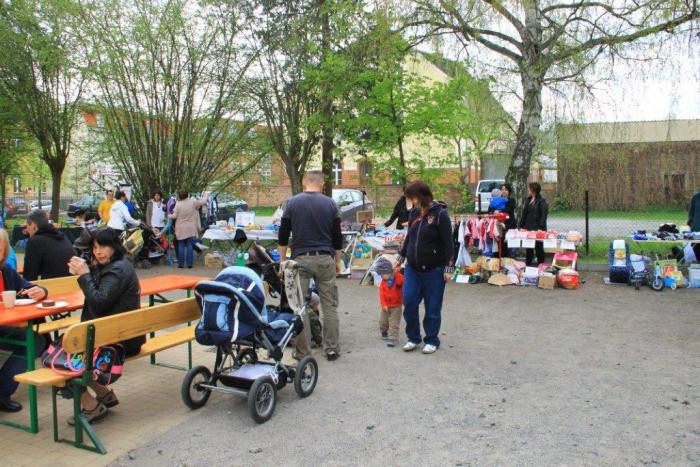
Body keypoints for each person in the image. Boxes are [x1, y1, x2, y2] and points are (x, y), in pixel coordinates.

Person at [66, 229, 144, 424]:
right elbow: (102, 294)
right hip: (124, 337)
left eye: (103, 246)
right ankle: (104, 394)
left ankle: (91, 407)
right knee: (68, 349)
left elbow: (99, 302)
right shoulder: (119, 265)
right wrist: (89, 270)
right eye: (94, 247)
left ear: (114, 247)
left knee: (60, 360)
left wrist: (84, 275)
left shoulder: (117, 270)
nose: (98, 251)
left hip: (116, 345)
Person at [278, 170, 343, 361]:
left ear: (304, 183)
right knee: (329, 305)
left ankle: (303, 352)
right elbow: (337, 237)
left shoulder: (292, 203)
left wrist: (283, 261)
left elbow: (283, 234)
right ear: (322, 184)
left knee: (300, 307)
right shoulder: (331, 204)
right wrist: (337, 261)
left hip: (300, 260)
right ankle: (331, 348)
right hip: (325, 258)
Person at [398, 181, 453, 355]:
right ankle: (413, 337)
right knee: (409, 301)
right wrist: (400, 257)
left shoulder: (440, 214)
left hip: (434, 269)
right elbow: (409, 237)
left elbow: (449, 244)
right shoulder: (414, 213)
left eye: (412, 197)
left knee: (432, 307)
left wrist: (449, 268)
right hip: (412, 268)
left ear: (421, 195)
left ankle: (431, 339)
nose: (411, 201)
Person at [0, 229, 47, 412]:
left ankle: (2, 392)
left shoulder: (6, 271)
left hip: (4, 325)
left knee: (35, 340)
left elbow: (29, 286)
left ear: (5, 251)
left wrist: (41, 291)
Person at [23, 210, 75, 281]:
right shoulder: (62, 236)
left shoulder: (34, 241)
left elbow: (29, 274)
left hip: (52, 285)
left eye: (27, 226)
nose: (27, 229)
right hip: (73, 283)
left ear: (33, 224)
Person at [168, 190, 207, 269]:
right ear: (187, 195)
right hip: (190, 227)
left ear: (179, 196)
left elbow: (174, 216)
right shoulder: (193, 202)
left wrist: (169, 215)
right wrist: (206, 195)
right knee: (189, 245)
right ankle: (190, 264)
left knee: (181, 245)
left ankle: (181, 264)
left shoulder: (178, 204)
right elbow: (203, 202)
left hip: (180, 228)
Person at [374, 256, 403, 348]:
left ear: (389, 272)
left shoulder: (397, 278)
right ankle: (384, 331)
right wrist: (384, 304)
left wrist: (396, 272)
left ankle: (393, 337)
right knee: (383, 321)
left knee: (394, 322)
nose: (381, 276)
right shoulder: (383, 282)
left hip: (396, 305)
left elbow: (402, 281)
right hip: (386, 306)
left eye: (383, 274)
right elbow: (381, 294)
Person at [519, 182, 549, 266]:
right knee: (529, 248)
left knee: (539, 248)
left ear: (533, 190)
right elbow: (524, 214)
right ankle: (528, 266)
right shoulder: (528, 200)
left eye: (529, 189)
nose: (528, 190)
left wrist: (540, 228)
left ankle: (541, 266)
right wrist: (521, 226)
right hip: (528, 228)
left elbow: (544, 215)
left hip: (538, 229)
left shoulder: (542, 201)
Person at [489, 183, 518, 257]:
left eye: (506, 190)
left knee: (506, 244)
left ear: (509, 191)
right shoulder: (496, 200)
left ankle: (506, 258)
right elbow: (490, 209)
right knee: (498, 243)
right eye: (502, 189)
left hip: (508, 224)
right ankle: (497, 259)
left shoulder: (511, 200)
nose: (504, 191)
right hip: (497, 225)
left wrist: (499, 211)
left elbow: (509, 209)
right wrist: (494, 211)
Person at [688, 189, 700, 259]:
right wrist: (692, 225)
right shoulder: (696, 197)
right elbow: (691, 214)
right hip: (696, 230)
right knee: (697, 249)